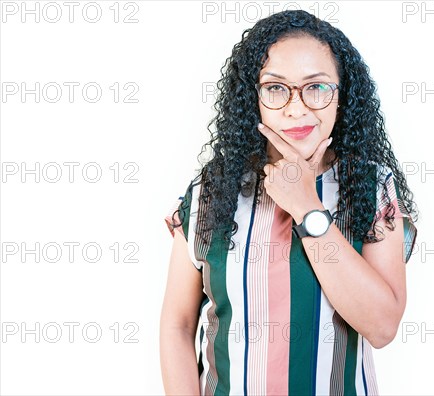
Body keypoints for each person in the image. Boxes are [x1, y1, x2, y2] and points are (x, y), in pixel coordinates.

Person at [160, 9, 419, 396]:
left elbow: (382, 327)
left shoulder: (372, 188)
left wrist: (307, 209)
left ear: (341, 96)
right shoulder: (212, 193)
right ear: (254, 98)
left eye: (316, 87)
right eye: (276, 88)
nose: (296, 108)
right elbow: (177, 326)